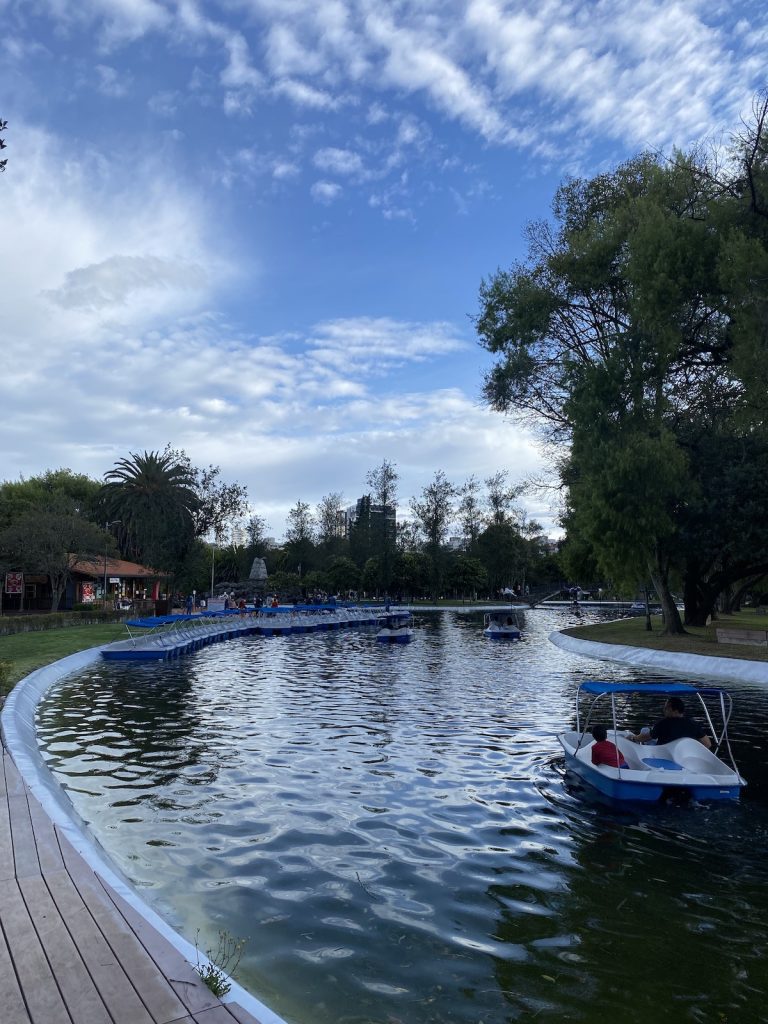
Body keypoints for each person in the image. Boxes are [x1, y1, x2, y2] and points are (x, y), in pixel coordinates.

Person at [629, 696, 712, 749]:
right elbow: (708, 744)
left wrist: (633, 738)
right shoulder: (693, 724)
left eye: (666, 708)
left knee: (645, 731)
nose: (664, 710)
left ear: (675, 710)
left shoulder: (663, 724)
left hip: (663, 754)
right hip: (683, 755)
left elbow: (646, 737)